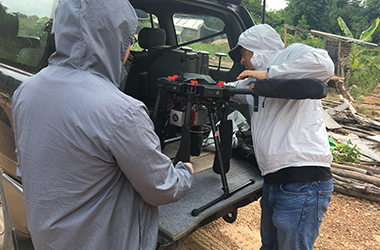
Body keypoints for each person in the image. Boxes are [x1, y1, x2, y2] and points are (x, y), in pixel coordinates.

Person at [12, 0, 193, 249]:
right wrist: (185, 173)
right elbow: (161, 188)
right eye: (129, 40)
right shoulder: (122, 112)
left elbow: (27, 169)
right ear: (117, 40)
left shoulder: (25, 91)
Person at [227, 24, 335, 250]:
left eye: (242, 53)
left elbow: (325, 65)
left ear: (255, 49)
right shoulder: (253, 83)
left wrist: (269, 74)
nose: (241, 61)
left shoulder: (289, 55)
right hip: (274, 182)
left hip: (303, 182)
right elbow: (231, 89)